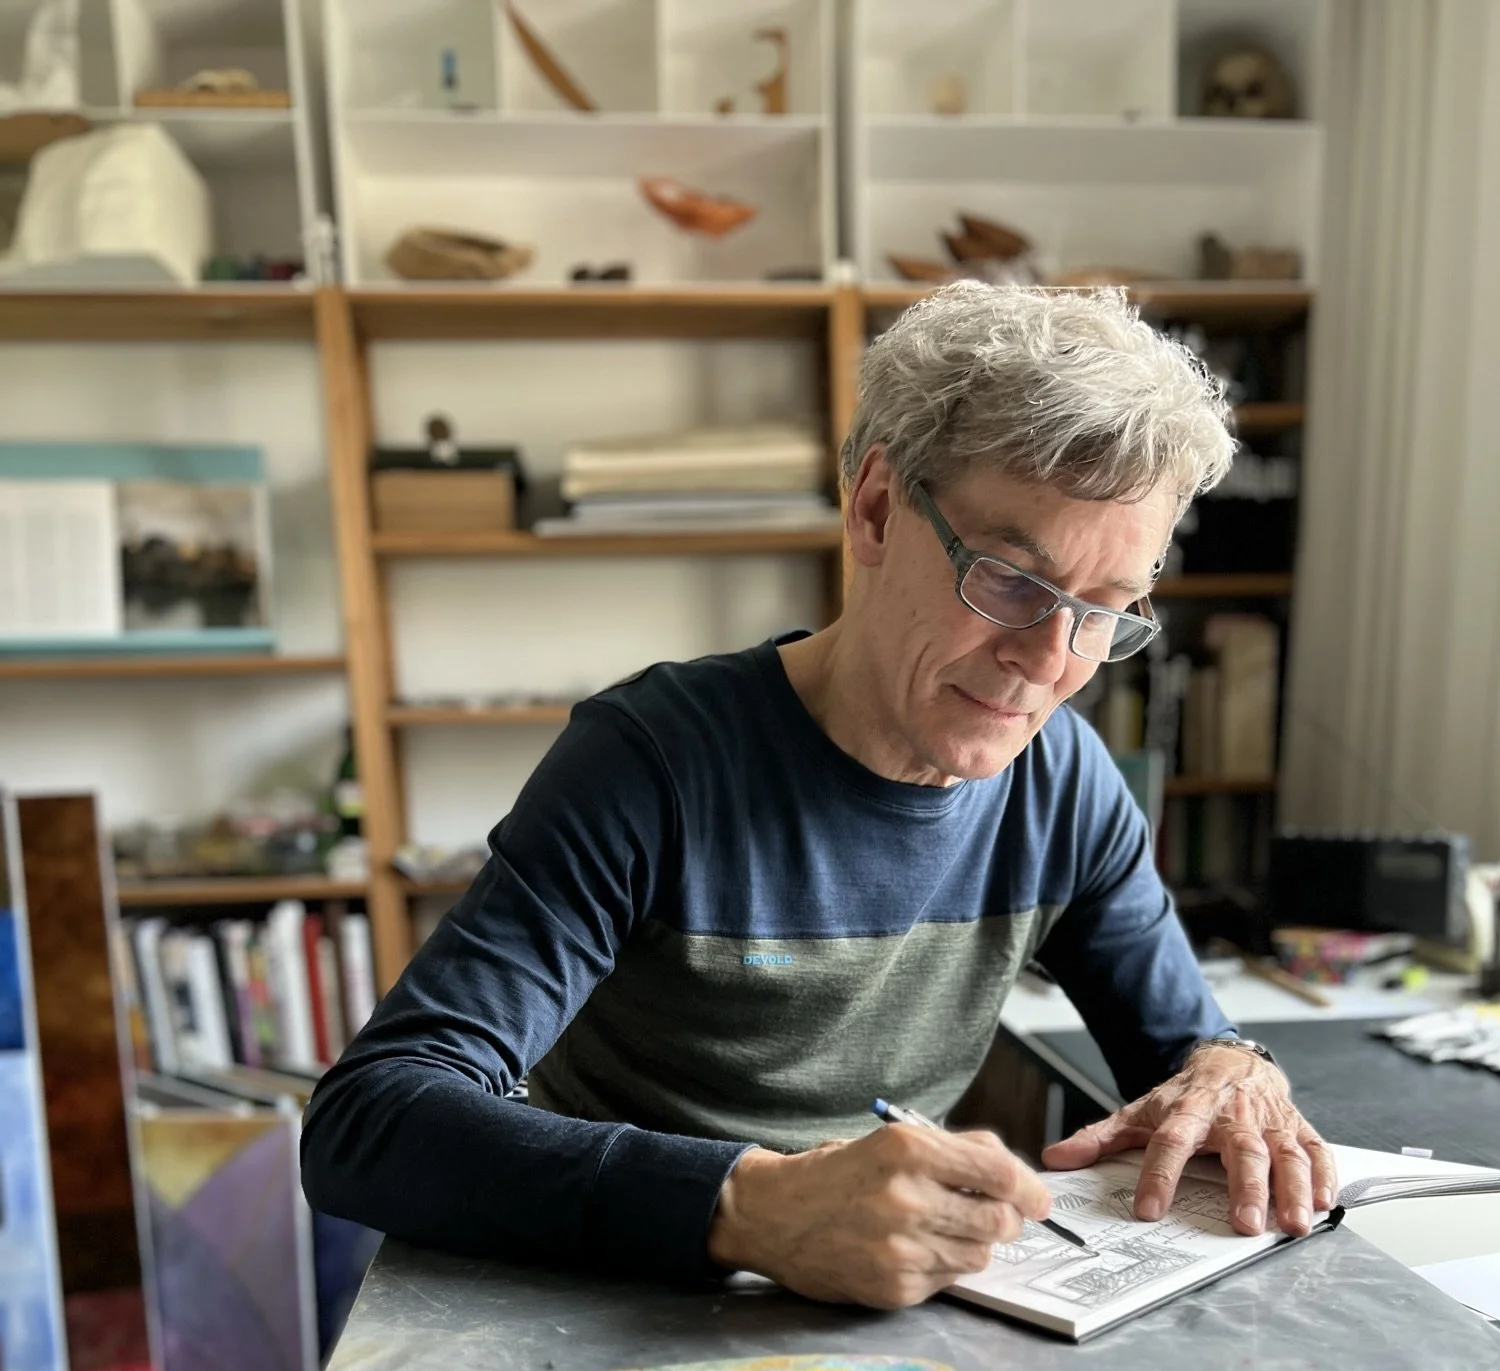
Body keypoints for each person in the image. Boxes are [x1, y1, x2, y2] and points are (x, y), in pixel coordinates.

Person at [301, 282, 1335, 1310]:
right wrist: (748, 1208)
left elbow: (1188, 1060)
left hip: (877, 1315)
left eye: (1103, 610)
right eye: (1012, 580)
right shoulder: (650, 765)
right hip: (611, 1301)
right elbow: (368, 1121)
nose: (1050, 661)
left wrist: (1232, 1071)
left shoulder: (1065, 787)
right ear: (876, 508)